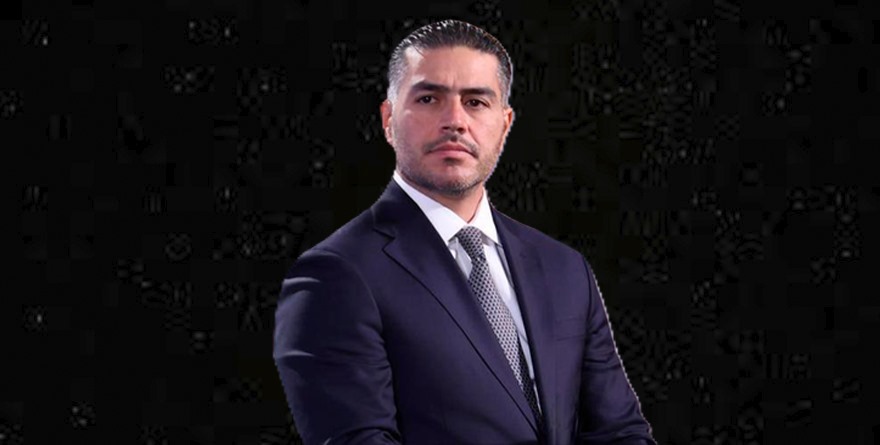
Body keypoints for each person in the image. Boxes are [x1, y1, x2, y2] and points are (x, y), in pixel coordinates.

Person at [273, 19, 656, 445]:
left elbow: (620, 433)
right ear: (388, 119)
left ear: (505, 124)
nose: (455, 120)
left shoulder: (565, 269)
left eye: (475, 102)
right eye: (429, 98)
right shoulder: (335, 275)